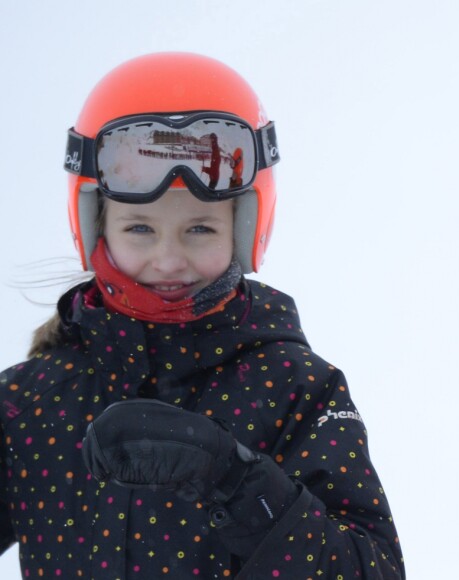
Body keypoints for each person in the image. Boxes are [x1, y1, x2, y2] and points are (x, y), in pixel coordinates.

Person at [0, 52, 405, 579]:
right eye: (140, 229)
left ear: (245, 227)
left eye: (200, 229)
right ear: (95, 226)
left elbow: (371, 571)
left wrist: (236, 480)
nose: (168, 259)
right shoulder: (30, 404)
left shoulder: (295, 389)